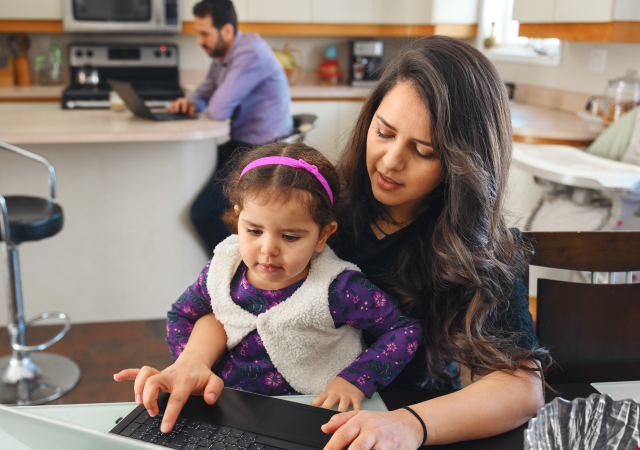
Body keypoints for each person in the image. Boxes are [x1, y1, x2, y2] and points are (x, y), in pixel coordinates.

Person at [317, 36, 553, 448]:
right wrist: (193, 359)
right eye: (384, 132)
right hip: (301, 410)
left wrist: (409, 424)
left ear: (464, 166)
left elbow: (520, 388)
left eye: (423, 151)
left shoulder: (477, 248)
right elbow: (233, 288)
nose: (390, 161)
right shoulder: (322, 207)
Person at [115, 142, 422, 433]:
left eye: (290, 237)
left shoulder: (339, 287)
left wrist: (355, 380)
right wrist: (191, 365)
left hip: (311, 413)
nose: (268, 249)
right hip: (228, 408)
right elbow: (181, 315)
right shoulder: (223, 268)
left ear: (322, 235)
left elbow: (404, 330)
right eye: (254, 230)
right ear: (238, 218)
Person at [166, 0, 294, 255]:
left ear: (226, 31)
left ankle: (236, 272)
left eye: (204, 33)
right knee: (192, 167)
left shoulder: (249, 54)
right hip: (243, 144)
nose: (199, 40)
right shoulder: (222, 57)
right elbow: (203, 94)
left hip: (265, 150)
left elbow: (218, 109)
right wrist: (188, 103)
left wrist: (202, 103)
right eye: (197, 33)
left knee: (202, 214)